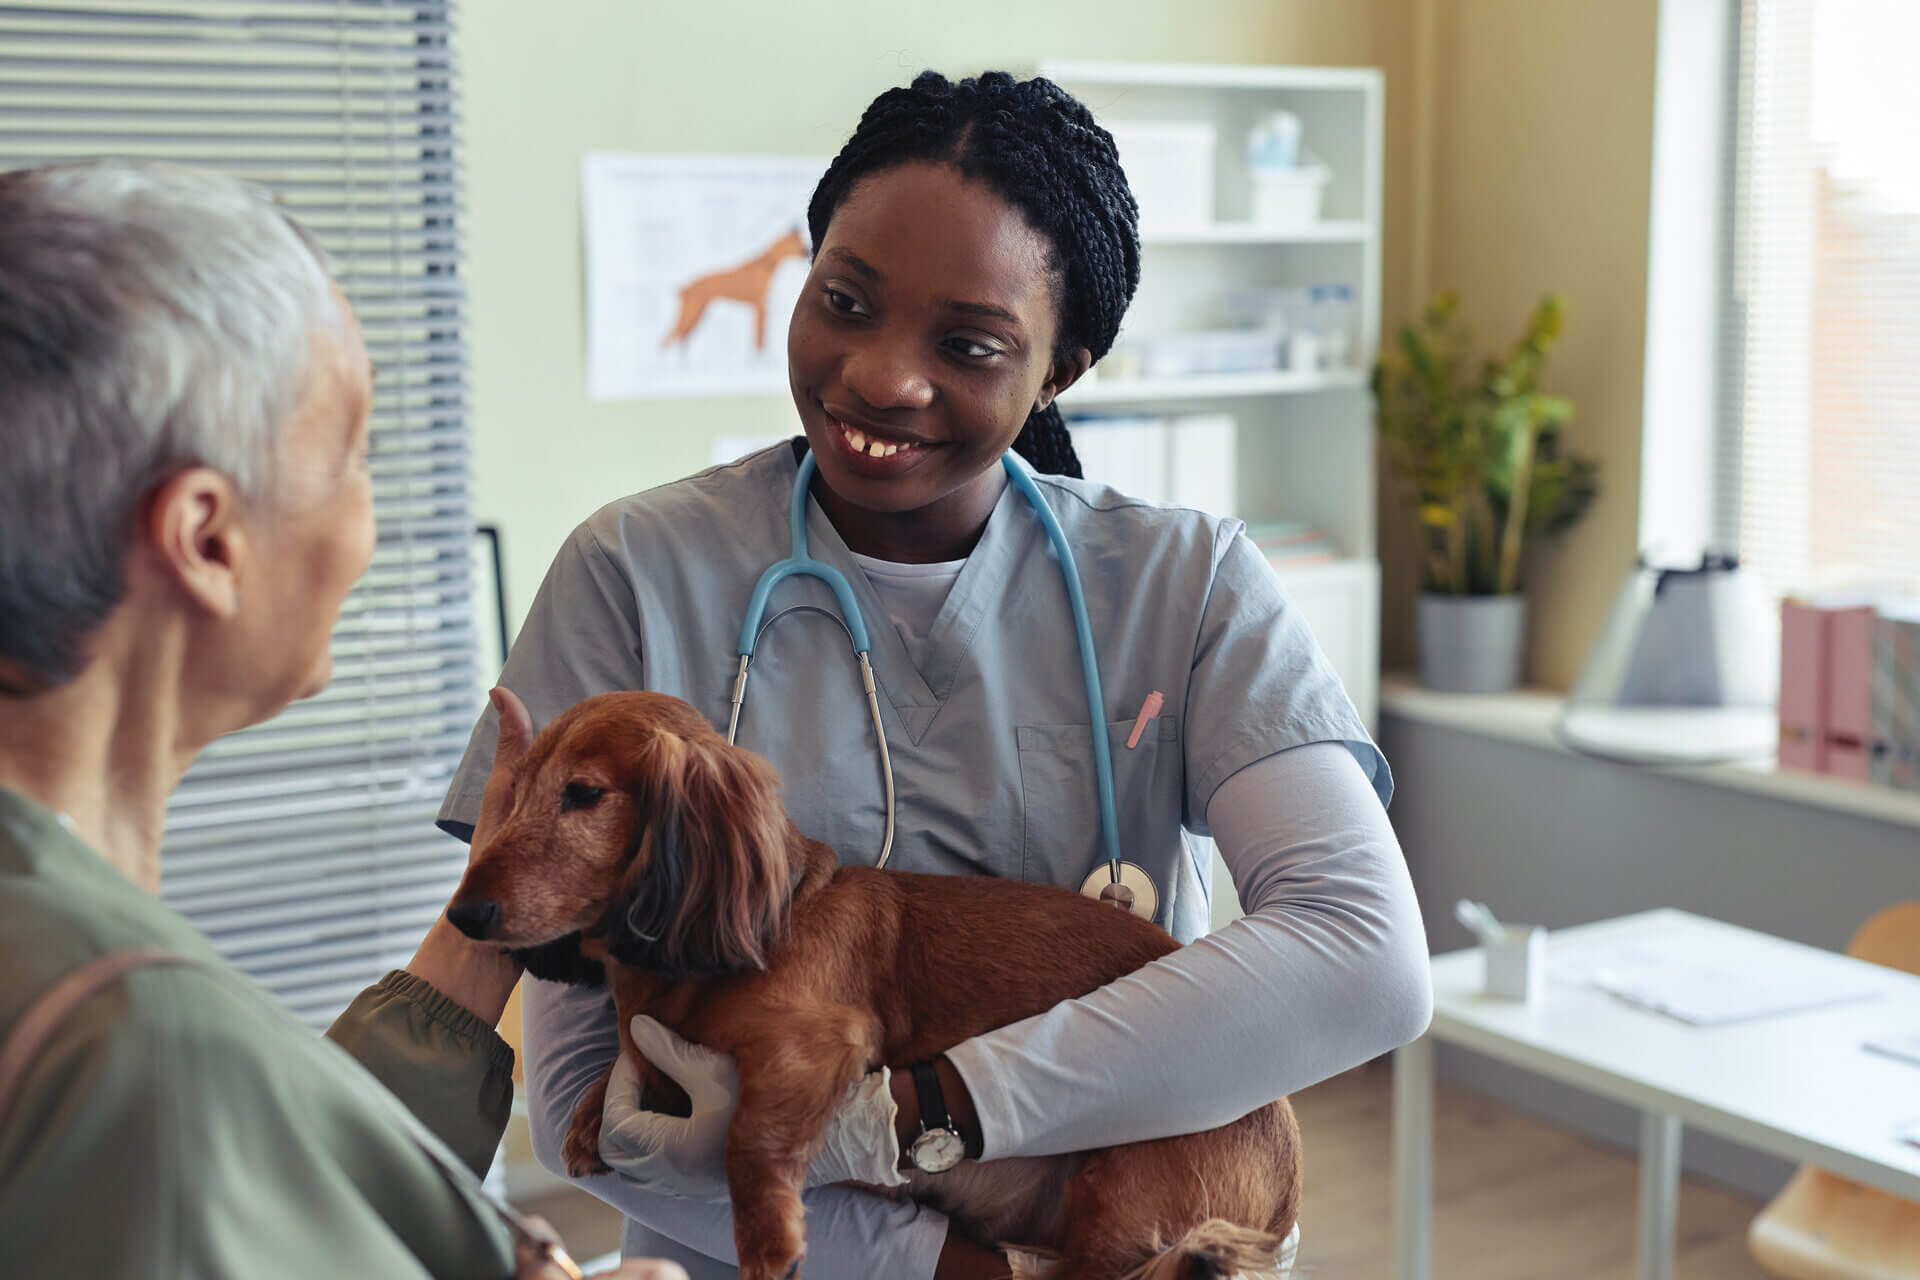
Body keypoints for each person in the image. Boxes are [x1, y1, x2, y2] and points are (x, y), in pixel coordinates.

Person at [438, 71, 1432, 1279]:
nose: (881, 377)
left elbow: (1365, 957)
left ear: (1061, 367)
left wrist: (924, 1109)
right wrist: (964, 1270)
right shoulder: (632, 573)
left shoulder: (1187, 581)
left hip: (1121, 1230)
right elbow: (591, 1110)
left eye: (968, 344)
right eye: (844, 300)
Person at [0, 160, 684, 1280]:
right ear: (206, 537)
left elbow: (258, 1164)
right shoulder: (130, 1036)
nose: (370, 523)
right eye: (354, 451)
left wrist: (497, 903)